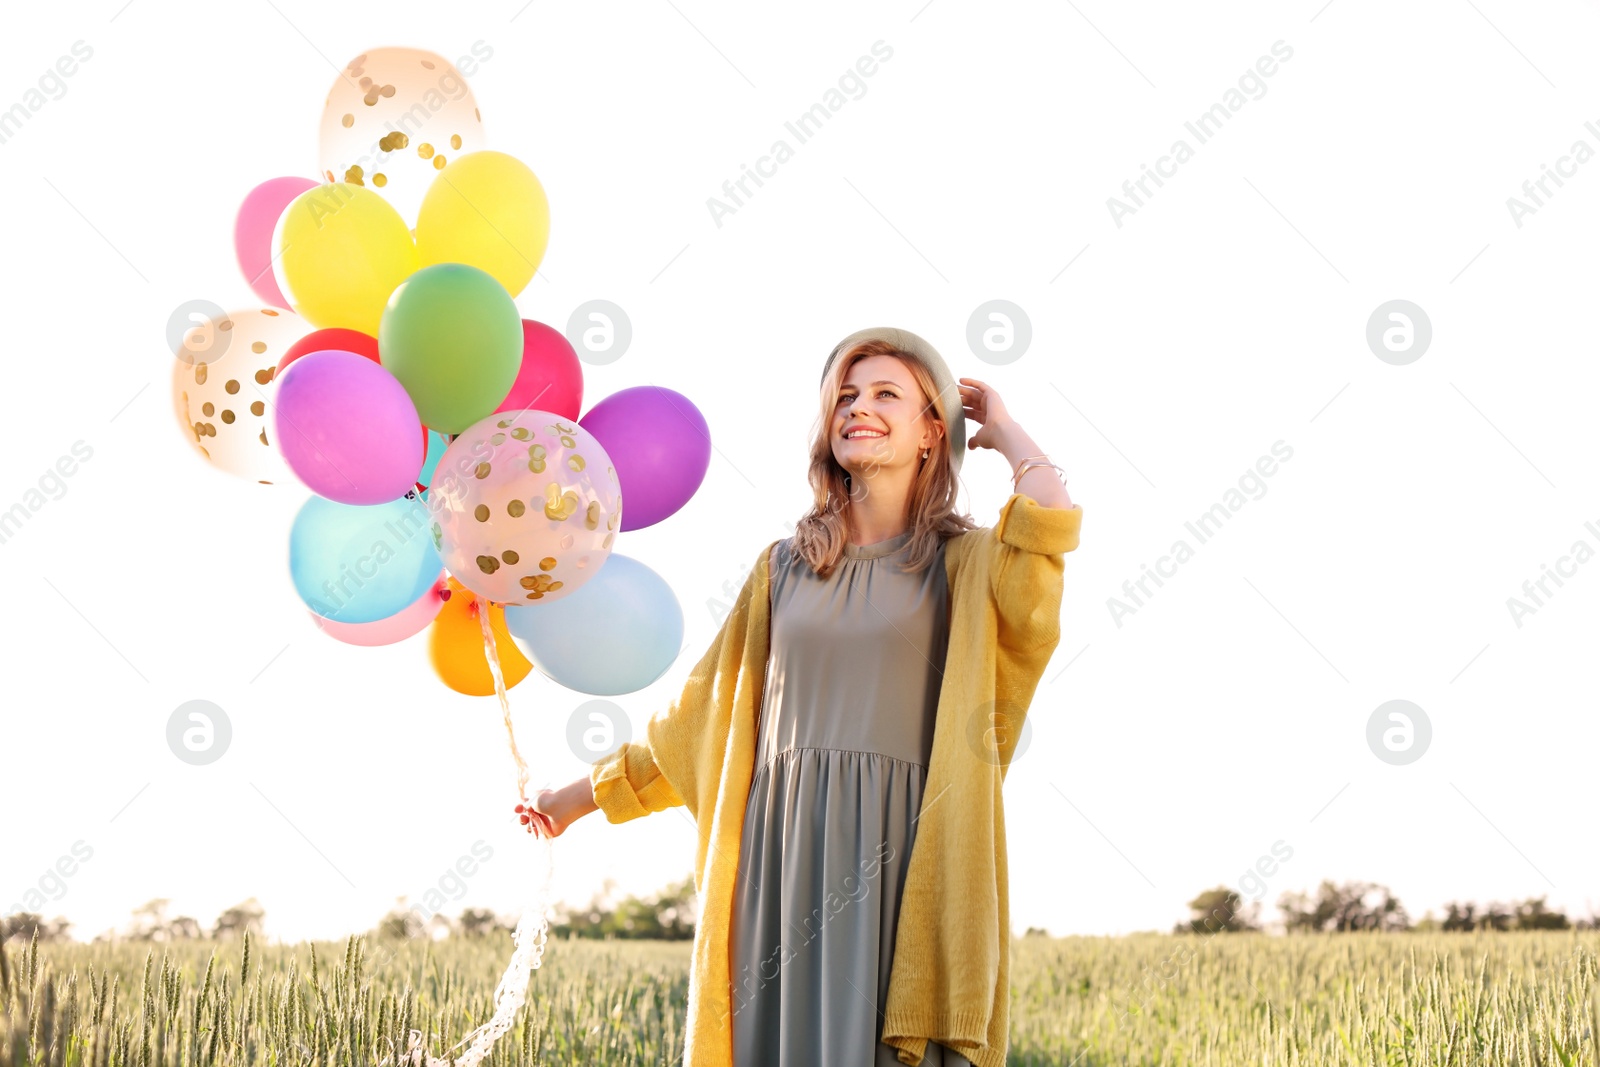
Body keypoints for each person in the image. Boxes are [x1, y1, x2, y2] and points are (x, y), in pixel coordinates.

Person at [527, 326, 1082, 1067]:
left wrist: (1006, 429)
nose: (860, 406)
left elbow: (1046, 528)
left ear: (931, 431)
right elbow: (700, 722)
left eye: (888, 393)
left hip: (905, 854)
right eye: (846, 395)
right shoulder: (783, 569)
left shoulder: (967, 563)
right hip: (782, 854)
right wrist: (575, 798)